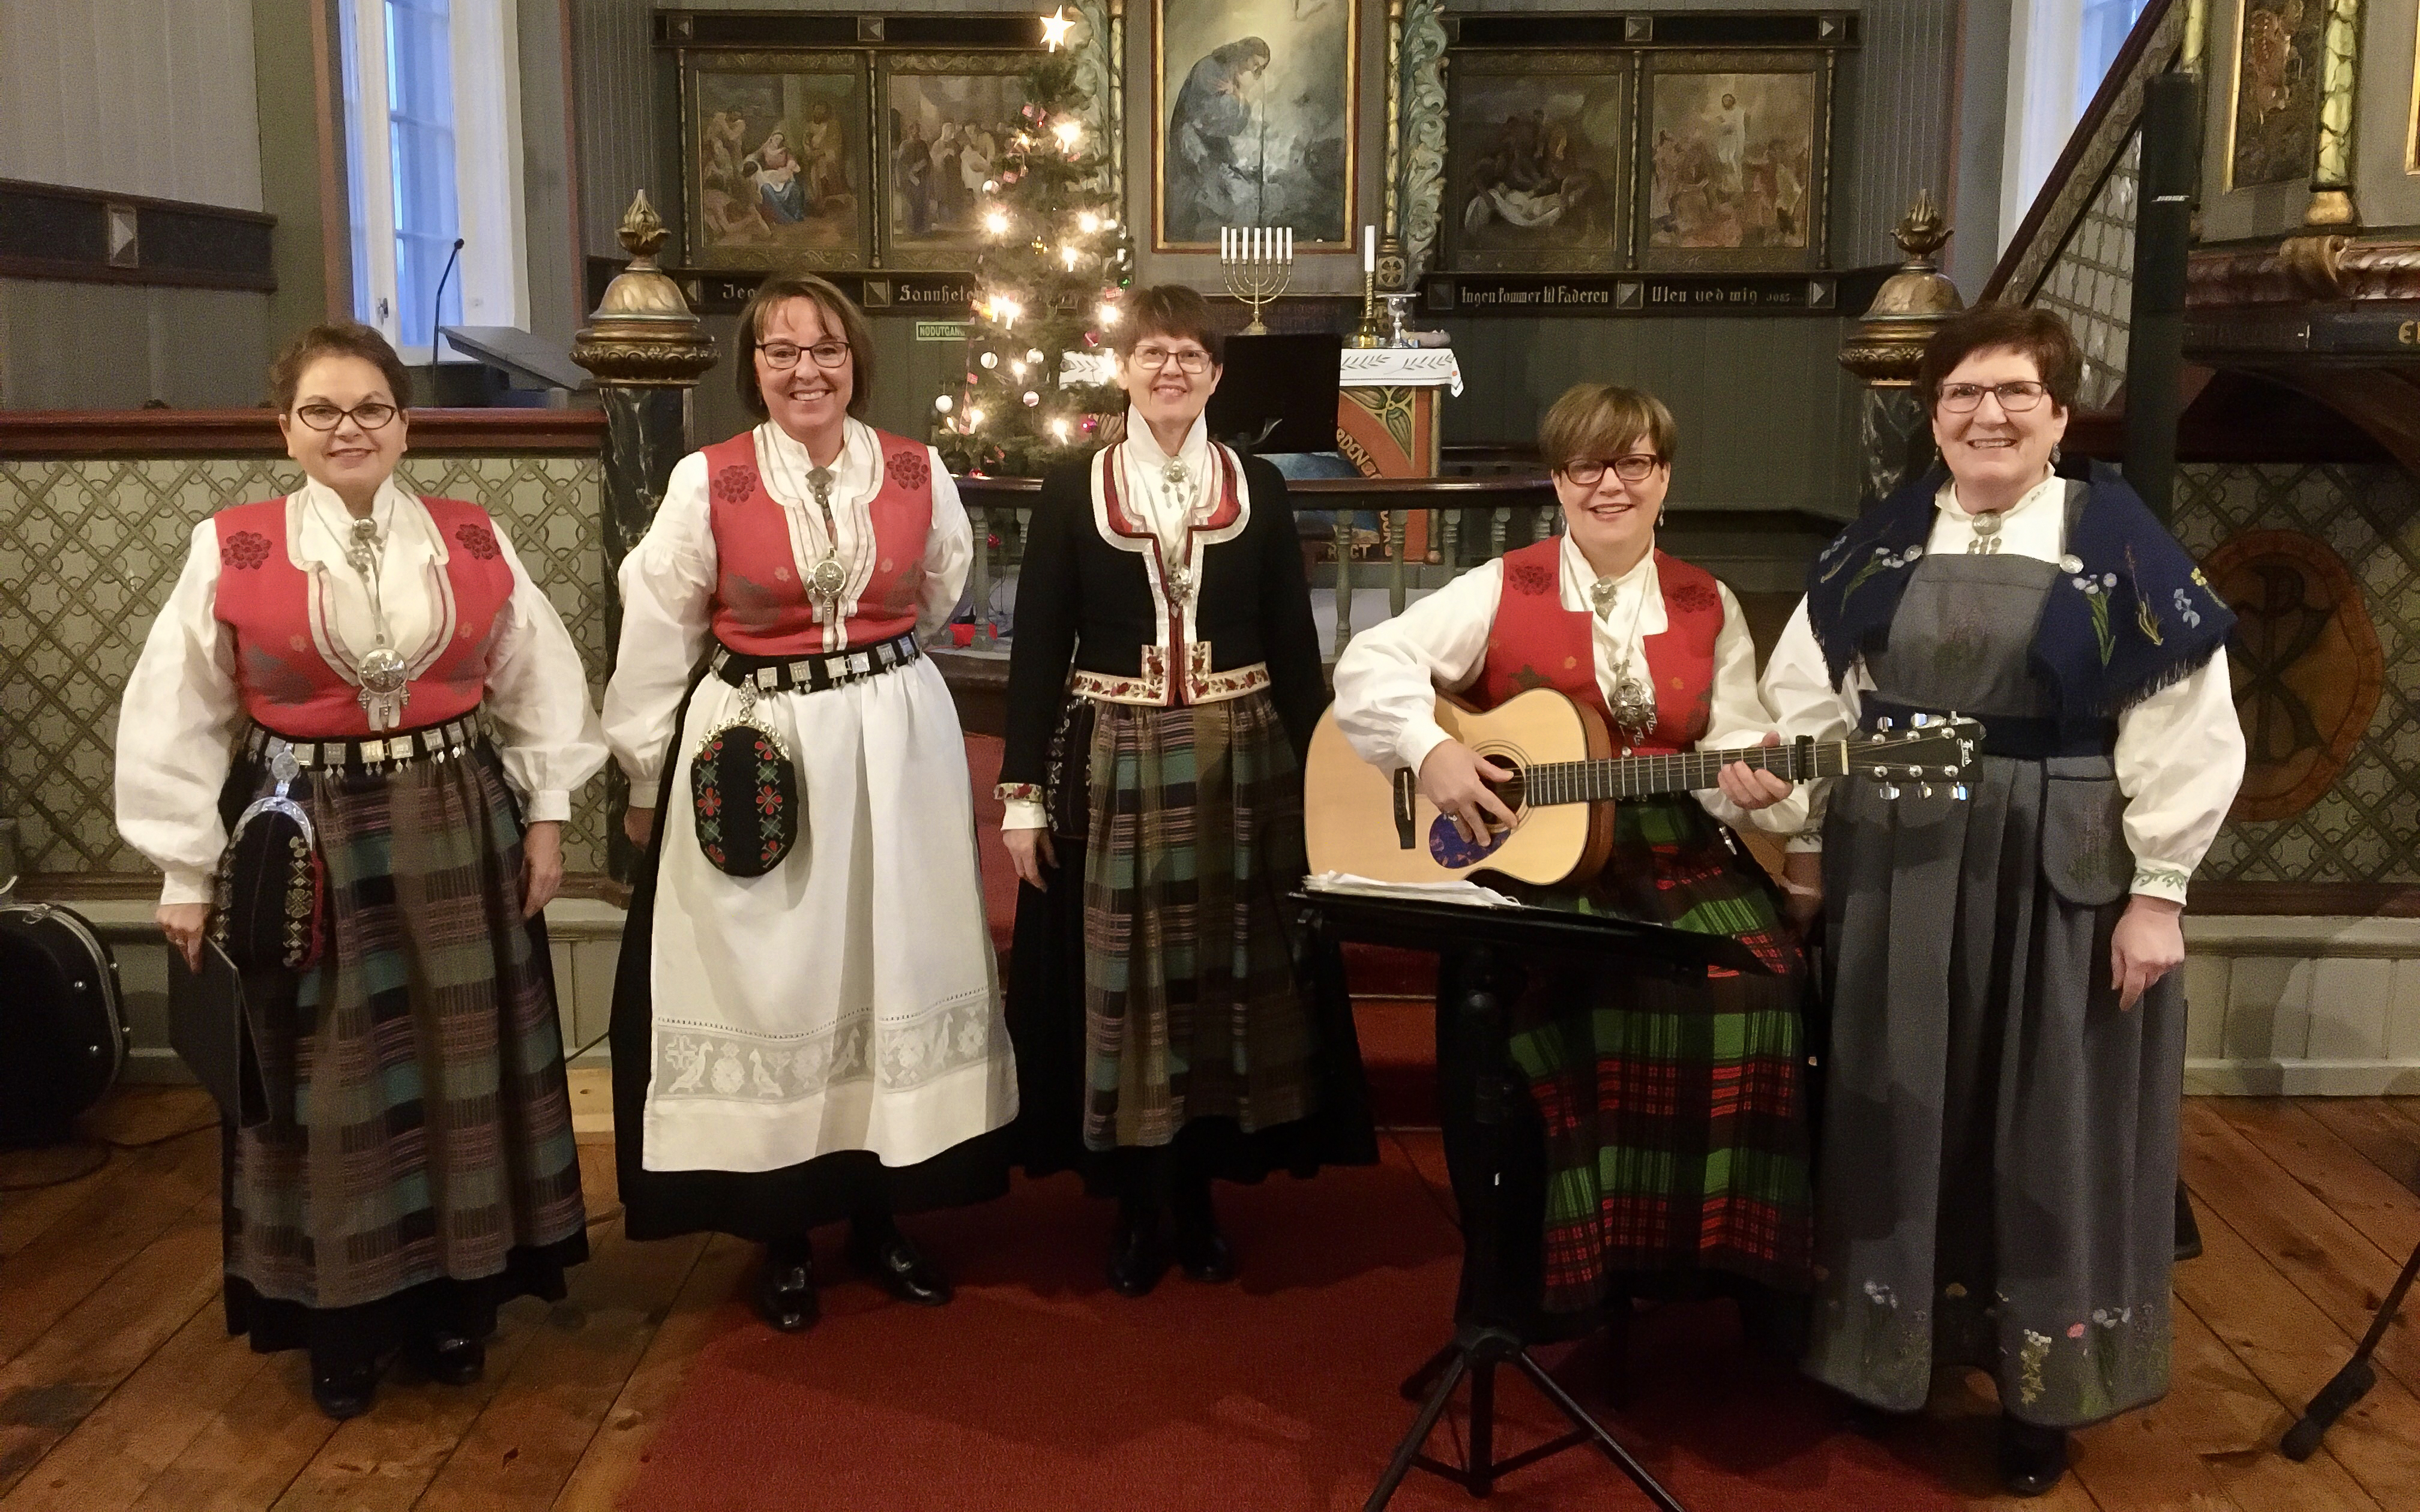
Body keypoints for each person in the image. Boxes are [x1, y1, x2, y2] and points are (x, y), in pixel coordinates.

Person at [1762, 304, 2244, 1496]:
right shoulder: (1878, 545)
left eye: (2015, 393)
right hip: (1902, 865)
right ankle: (1893, 1358)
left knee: (2046, 1119)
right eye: (1964, 395)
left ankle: (2042, 1394)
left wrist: (2160, 897)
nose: (1989, 415)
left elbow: (2188, 731)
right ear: (1933, 419)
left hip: (2058, 868)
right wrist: (1803, 848)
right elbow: (1811, 704)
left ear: (2059, 414)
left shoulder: (2118, 543)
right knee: (1901, 1105)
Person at [115, 322, 604, 1421]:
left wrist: (549, 815)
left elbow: (536, 678)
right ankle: (343, 1320)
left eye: (372, 408)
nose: (351, 430)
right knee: (329, 1082)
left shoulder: (475, 540)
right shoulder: (231, 547)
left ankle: (457, 1305)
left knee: (459, 1063)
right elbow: (177, 712)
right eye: (323, 412)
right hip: (304, 837)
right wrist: (185, 870)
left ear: (404, 423)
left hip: (457, 815)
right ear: (283, 429)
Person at [1331, 382, 1817, 1331]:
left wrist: (1755, 786)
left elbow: (1730, 750)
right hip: (1537, 856)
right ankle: (1566, 1267)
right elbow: (1370, 662)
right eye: (1587, 465)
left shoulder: (1705, 600)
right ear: (1558, 481)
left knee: (1758, 985)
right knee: (1561, 1004)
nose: (1611, 484)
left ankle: (1696, 1263)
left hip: (1671, 844)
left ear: (1663, 476)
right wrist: (1432, 751)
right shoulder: (1502, 585)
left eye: (1633, 462)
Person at [602, 274, 1014, 1334]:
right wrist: (645, 777)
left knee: (891, 964)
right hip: (758, 746)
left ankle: (880, 1213)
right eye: (781, 352)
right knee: (774, 980)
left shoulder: (919, 472)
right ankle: (782, 1228)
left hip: (895, 743)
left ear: (855, 362)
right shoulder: (709, 482)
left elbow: (939, 593)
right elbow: (657, 629)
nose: (805, 371)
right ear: (754, 369)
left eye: (825, 349)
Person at [998, 283, 1374, 1297]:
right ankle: (1136, 1202)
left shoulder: (1258, 484)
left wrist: (1328, 776)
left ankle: (1200, 1192)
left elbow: (1296, 647)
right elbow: (1039, 645)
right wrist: (1022, 792)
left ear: (1216, 373)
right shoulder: (1075, 483)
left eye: (1191, 356)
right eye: (1153, 353)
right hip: (1114, 754)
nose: (1172, 371)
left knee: (1222, 979)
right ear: (1124, 367)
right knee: (1132, 987)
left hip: (1244, 753)